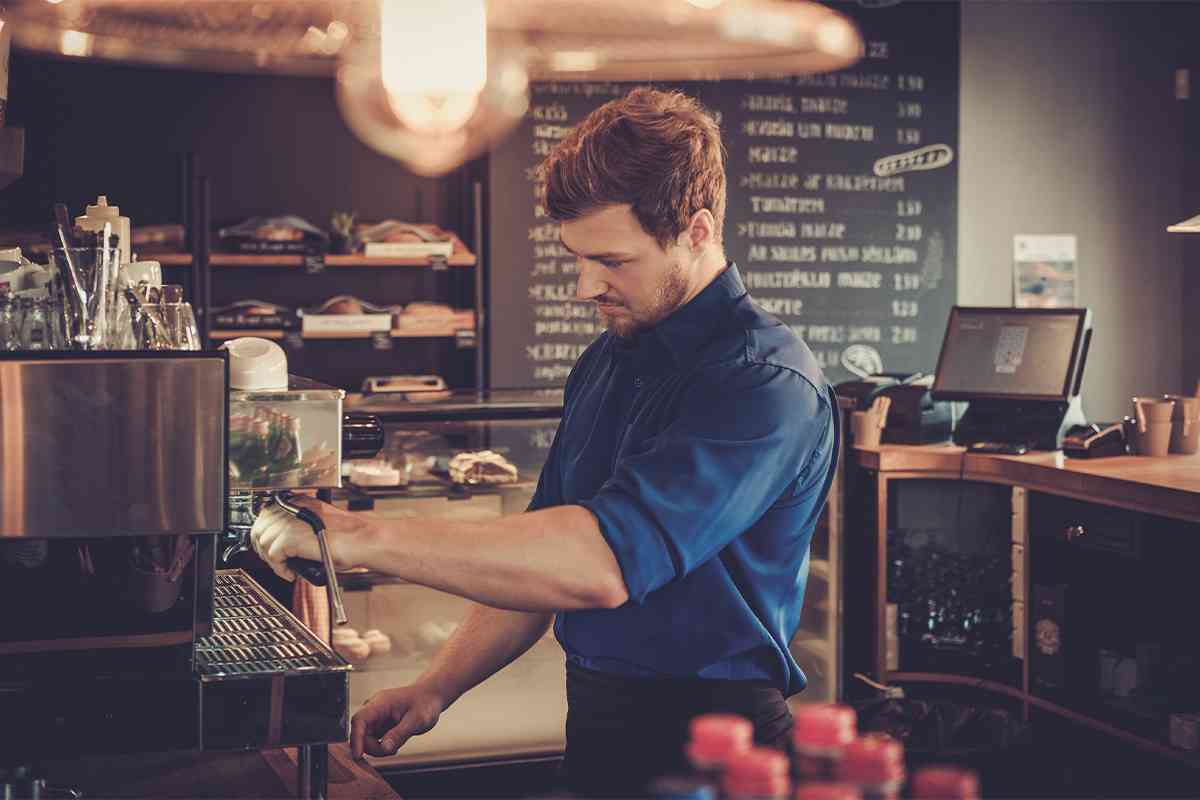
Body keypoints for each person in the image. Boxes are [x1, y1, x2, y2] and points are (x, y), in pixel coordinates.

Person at [251, 86, 839, 797]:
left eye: (613, 261)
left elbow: (598, 563)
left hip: (717, 744)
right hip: (596, 721)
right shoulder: (609, 358)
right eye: (578, 258)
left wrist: (353, 537)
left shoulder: (762, 383)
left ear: (697, 229)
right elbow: (540, 561)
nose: (586, 285)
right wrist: (437, 687)